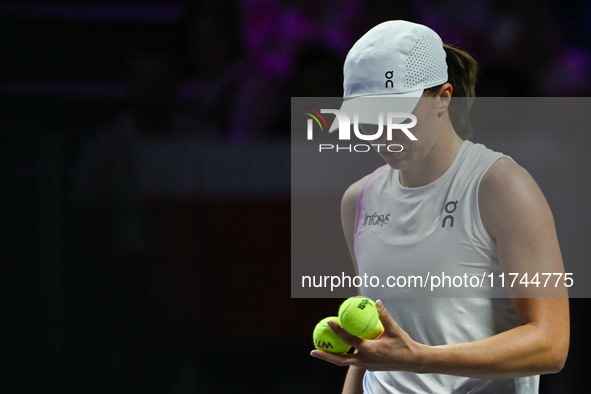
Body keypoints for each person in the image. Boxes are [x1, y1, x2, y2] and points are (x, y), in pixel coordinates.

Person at [309, 20, 569, 393]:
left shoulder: (502, 186)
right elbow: (377, 344)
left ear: (444, 97)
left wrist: (418, 358)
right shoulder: (358, 199)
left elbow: (551, 344)